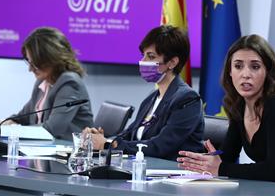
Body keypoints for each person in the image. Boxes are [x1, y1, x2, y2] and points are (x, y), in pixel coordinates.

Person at [178, 34, 275, 187]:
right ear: (230, 72)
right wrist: (207, 161)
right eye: (238, 66)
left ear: (267, 71)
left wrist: (221, 167)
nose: (245, 75)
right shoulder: (239, 105)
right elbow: (228, 155)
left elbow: (274, 169)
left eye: (255, 67)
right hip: (271, 189)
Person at [85, 25, 204, 160]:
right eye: (143, 56)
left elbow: (161, 146)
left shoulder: (187, 99)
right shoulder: (151, 98)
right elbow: (128, 135)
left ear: (172, 62)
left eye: (151, 56)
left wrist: (107, 145)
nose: (143, 62)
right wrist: (101, 138)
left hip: (174, 173)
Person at [0, 27, 94, 140]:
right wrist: (0, 125)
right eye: (29, 62)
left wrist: (14, 129)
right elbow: (22, 117)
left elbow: (51, 130)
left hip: (71, 154)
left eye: (35, 63)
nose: (30, 69)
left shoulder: (70, 83)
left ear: (51, 59)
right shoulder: (42, 82)